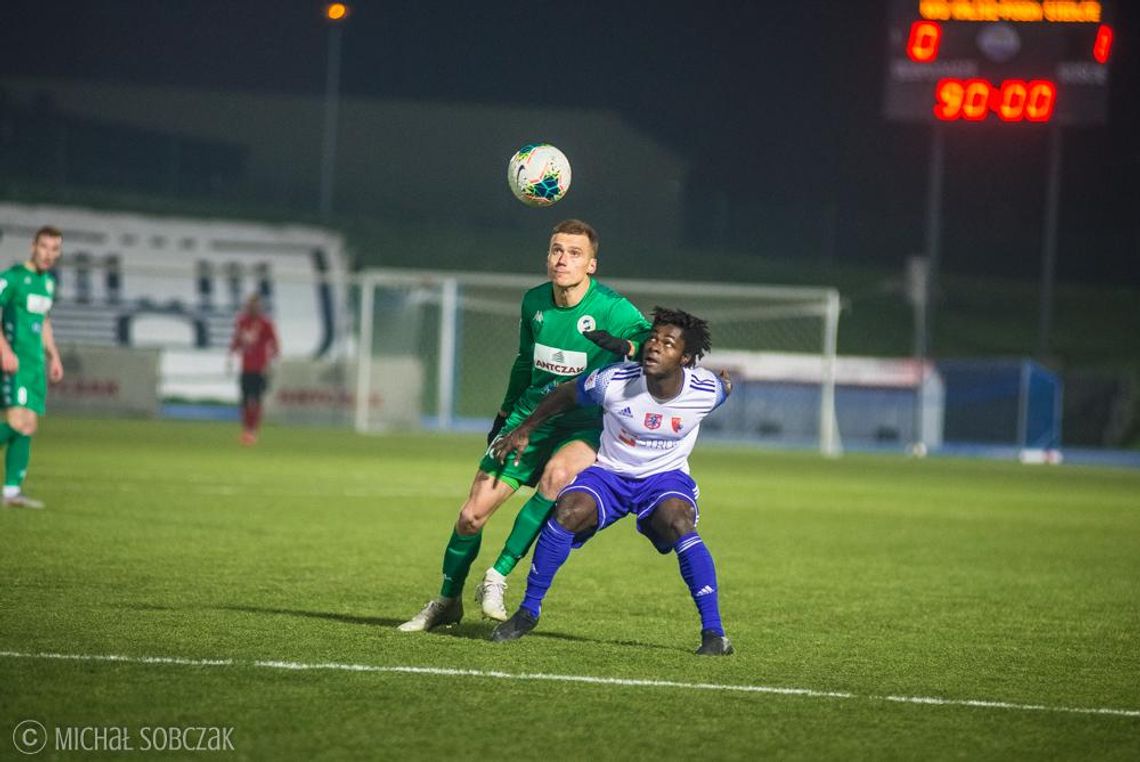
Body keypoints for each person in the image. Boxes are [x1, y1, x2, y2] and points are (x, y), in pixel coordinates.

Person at [399, 219, 652, 631]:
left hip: (582, 423)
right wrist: (503, 414)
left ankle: (497, 576)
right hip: (528, 417)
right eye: (556, 250)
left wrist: (628, 346)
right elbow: (523, 361)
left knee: (558, 476)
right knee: (470, 517)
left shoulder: (612, 308)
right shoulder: (533, 302)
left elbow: (654, 340)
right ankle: (447, 601)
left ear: (591, 264)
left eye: (574, 253)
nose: (562, 259)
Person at [489, 307, 735, 655]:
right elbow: (565, 394)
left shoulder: (705, 390)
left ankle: (714, 634)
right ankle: (528, 612)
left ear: (687, 358)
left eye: (668, 343)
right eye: (652, 338)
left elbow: (723, 387)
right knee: (567, 513)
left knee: (678, 522)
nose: (654, 347)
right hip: (610, 474)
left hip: (664, 479)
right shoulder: (613, 381)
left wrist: (727, 384)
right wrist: (524, 429)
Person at [0, 226, 65, 509]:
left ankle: (12, 492)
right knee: (16, 423)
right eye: (44, 247)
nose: (48, 254)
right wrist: (4, 350)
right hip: (15, 362)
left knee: (29, 426)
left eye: (54, 249)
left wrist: (54, 355)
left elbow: (44, 322)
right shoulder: (13, 277)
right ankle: (12, 491)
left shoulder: (48, 283)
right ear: (33, 247)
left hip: (35, 365)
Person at [228, 293, 279, 445]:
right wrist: (230, 357)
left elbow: (274, 343)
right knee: (244, 400)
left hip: (260, 368)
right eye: (250, 304)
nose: (253, 307)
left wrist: (271, 363)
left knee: (256, 400)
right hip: (246, 367)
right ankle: (246, 430)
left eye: (255, 305)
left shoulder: (266, 323)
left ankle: (253, 431)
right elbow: (236, 341)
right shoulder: (242, 322)